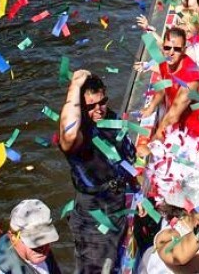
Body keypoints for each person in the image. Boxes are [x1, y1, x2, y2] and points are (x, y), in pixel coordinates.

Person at [59, 70, 136, 274]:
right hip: (93, 213)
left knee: (115, 259)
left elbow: (127, 157)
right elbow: (67, 136)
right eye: (90, 106)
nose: (99, 109)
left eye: (102, 102)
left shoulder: (110, 119)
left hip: (117, 202)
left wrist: (136, 187)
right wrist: (74, 87)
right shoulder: (80, 135)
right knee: (93, 268)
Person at [0, 199, 61, 274]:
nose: (42, 248)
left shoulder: (41, 253)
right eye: (35, 243)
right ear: (13, 237)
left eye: (45, 239)